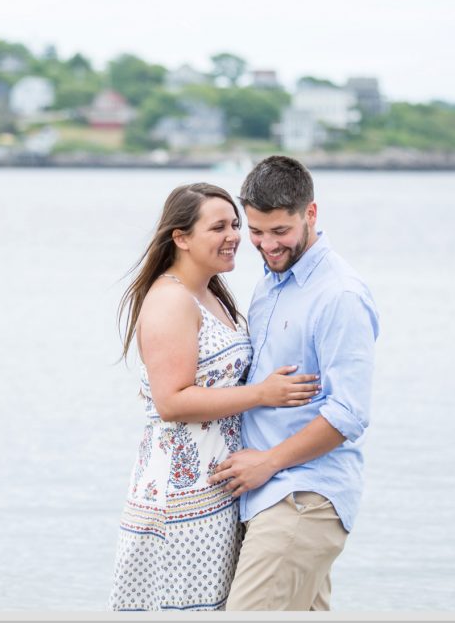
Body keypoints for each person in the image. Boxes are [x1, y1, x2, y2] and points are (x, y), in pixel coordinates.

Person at [108, 182, 322, 612]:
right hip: (181, 491)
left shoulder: (210, 294)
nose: (234, 237)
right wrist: (262, 394)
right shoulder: (170, 300)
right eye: (218, 227)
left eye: (235, 225)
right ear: (181, 237)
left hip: (218, 485)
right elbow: (171, 401)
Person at [208, 155, 380, 611]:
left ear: (311, 214)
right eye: (256, 232)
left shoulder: (339, 296)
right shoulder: (271, 282)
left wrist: (268, 462)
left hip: (303, 496)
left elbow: (349, 414)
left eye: (279, 232)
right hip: (267, 498)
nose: (266, 245)